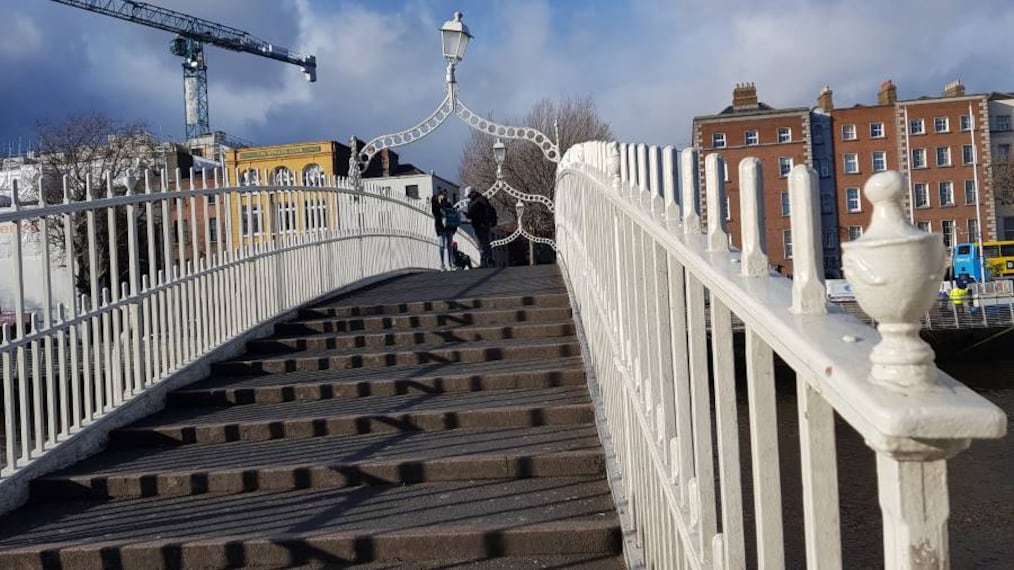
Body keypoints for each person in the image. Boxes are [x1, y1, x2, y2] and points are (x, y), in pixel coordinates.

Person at [466, 188, 496, 267]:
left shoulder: (481, 201)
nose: (469, 197)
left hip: (482, 224)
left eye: (469, 195)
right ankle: (487, 259)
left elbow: (487, 212)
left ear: (473, 193)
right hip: (477, 225)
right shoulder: (474, 202)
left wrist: (486, 222)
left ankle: (486, 260)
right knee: (482, 243)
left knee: (483, 243)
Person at [430, 190, 459, 270]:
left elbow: (452, 214)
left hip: (448, 226)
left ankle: (451, 263)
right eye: (443, 195)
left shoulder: (448, 204)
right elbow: (435, 212)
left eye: (445, 196)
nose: (445, 197)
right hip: (440, 226)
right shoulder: (435, 203)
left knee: (449, 245)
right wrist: (439, 202)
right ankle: (442, 264)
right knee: (442, 245)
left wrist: (454, 227)